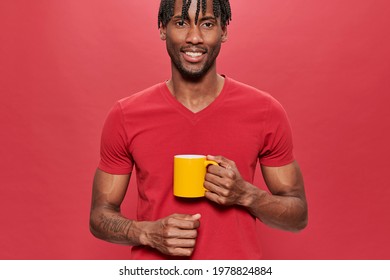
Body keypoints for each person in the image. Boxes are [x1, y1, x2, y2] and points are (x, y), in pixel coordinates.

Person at [89, 0, 308, 260]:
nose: (194, 38)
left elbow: (298, 215)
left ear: (224, 31)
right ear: (162, 29)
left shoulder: (265, 111)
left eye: (207, 24)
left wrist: (247, 195)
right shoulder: (126, 115)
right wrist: (146, 232)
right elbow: (99, 215)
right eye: (181, 23)